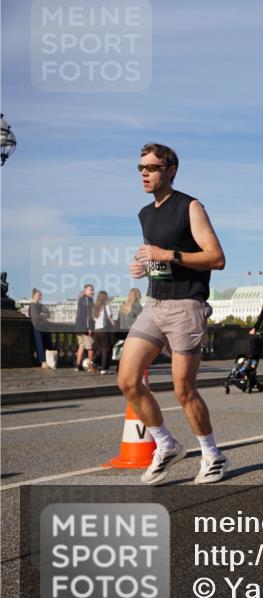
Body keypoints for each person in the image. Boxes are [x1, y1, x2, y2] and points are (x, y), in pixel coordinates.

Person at [118, 143, 229, 485]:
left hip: (187, 306)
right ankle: (166, 445)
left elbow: (216, 258)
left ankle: (213, 455)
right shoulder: (145, 214)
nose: (144, 174)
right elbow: (159, 259)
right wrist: (147, 265)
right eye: (140, 168)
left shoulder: (190, 206)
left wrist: (168, 254)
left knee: (184, 389)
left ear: (170, 170)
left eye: (150, 168)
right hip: (155, 303)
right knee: (127, 380)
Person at [28, 289, 53, 368]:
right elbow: (35, 317)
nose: (40, 297)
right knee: (40, 344)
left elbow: (48, 313)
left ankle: (48, 360)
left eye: (41, 295)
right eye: (39, 295)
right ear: (34, 296)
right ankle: (42, 361)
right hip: (37, 327)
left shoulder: (41, 305)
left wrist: (42, 316)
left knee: (47, 344)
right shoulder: (32, 305)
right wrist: (43, 316)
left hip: (43, 327)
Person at [92, 290, 114, 374]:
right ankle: (104, 368)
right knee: (106, 349)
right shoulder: (106, 306)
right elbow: (110, 318)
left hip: (96, 330)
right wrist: (114, 326)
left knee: (100, 349)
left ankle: (94, 361)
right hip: (104, 330)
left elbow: (94, 319)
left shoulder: (95, 307)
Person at [74, 284, 95, 371]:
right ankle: (91, 366)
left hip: (79, 327)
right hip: (85, 328)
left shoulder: (81, 299)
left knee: (81, 346)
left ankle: (78, 365)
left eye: (93, 290)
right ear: (85, 291)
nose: (93, 291)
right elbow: (87, 316)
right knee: (90, 347)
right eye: (91, 290)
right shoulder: (87, 300)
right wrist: (90, 327)